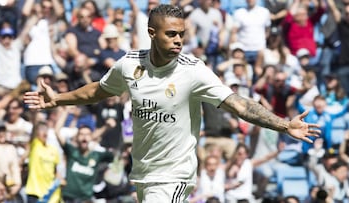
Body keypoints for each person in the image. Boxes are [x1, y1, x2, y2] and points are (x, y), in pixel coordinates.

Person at [24, 4, 321, 203]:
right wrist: (58, 99)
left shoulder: (193, 70)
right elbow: (98, 91)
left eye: (182, 34)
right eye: (171, 34)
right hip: (142, 174)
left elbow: (239, 105)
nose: (178, 40)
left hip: (175, 176)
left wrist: (284, 124)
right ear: (152, 34)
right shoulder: (129, 65)